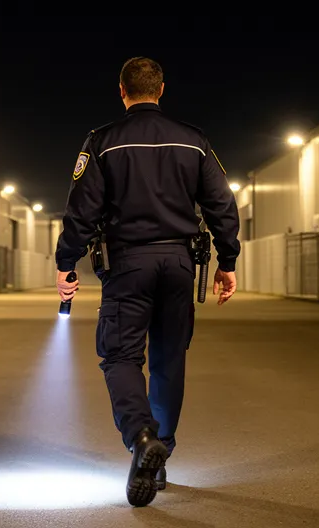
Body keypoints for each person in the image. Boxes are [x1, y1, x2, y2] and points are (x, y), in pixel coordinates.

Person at [55, 57, 241, 507]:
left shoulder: (102, 141)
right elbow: (221, 201)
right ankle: (162, 458)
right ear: (161, 90)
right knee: (168, 360)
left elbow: (82, 210)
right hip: (179, 264)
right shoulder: (194, 141)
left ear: (122, 91)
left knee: (120, 356)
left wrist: (67, 262)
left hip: (128, 266)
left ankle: (141, 438)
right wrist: (228, 259)